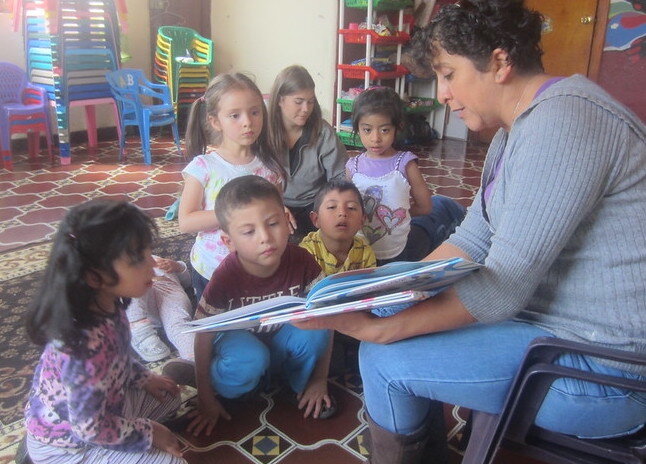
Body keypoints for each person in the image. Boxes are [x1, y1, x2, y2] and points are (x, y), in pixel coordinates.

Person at [295, 0, 646, 462]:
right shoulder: (514, 132)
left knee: (384, 360)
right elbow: (473, 239)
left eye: (448, 73)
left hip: (606, 372)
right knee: (393, 330)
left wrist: (384, 329)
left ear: (499, 62)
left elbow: (505, 285)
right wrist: (373, 287)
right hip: (551, 333)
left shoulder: (566, 121)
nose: (442, 93)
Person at [167, 175, 336, 437]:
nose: (266, 238)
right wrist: (206, 396)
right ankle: (213, 377)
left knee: (314, 329)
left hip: (281, 339)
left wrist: (319, 380)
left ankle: (295, 385)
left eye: (273, 223)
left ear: (287, 220)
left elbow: (326, 316)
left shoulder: (302, 259)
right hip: (243, 344)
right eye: (249, 231)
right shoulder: (226, 276)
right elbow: (204, 334)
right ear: (229, 242)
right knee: (249, 361)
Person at [23, 199, 186, 464]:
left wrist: (144, 378)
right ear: (94, 276)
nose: (151, 265)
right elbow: (89, 429)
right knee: (173, 462)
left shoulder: (109, 305)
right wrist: (150, 432)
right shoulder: (83, 349)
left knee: (170, 397)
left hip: (106, 408)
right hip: (69, 446)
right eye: (137, 260)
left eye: (148, 253)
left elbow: (118, 358)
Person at [179, 72, 286, 300]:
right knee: (222, 327)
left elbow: (274, 210)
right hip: (213, 269)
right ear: (215, 121)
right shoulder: (204, 167)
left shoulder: (269, 168)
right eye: (235, 115)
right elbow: (186, 221)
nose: (248, 122)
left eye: (255, 112)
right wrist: (235, 215)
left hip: (257, 267)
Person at [346, 86, 466, 264]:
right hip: (363, 255)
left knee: (435, 232)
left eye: (384, 130)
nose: (375, 138)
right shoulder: (352, 167)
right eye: (367, 130)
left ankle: (457, 223)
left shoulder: (405, 163)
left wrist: (400, 216)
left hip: (402, 251)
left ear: (398, 127)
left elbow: (425, 207)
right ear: (357, 128)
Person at [268, 65, 348, 239]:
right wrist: (274, 206)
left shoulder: (323, 133)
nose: (306, 109)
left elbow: (339, 177)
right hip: (272, 204)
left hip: (314, 205)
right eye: (299, 101)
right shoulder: (263, 130)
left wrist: (329, 208)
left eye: (310, 101)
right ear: (280, 100)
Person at [300, 179, 376, 276]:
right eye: (332, 207)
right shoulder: (305, 253)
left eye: (351, 208)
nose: (342, 213)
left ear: (362, 220)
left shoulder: (365, 253)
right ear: (316, 219)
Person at [127, 256, 195, 362]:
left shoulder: (154, 258)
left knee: (178, 324)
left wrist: (178, 267)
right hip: (143, 302)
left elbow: (188, 281)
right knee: (129, 283)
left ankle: (193, 357)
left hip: (169, 289)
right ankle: (140, 331)